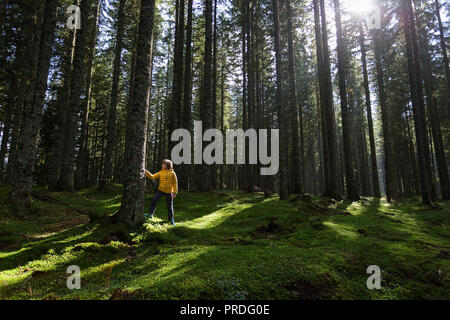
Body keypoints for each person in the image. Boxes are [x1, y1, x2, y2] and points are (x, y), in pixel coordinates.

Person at [145, 159, 178, 226]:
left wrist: (175, 192)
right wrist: (147, 172)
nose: (162, 165)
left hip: (169, 192)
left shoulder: (172, 173)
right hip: (161, 190)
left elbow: (175, 183)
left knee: (170, 206)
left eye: (164, 164)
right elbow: (153, 177)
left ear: (167, 166)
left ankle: (171, 220)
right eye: (162, 164)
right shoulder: (161, 172)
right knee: (154, 200)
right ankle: (150, 214)